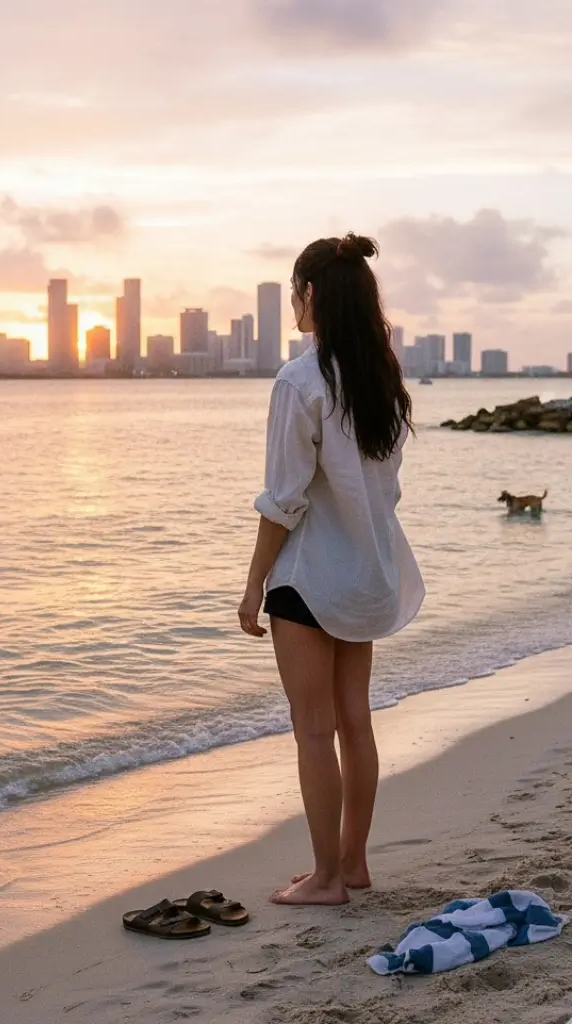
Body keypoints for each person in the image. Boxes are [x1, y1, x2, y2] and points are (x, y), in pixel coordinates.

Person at [237, 233, 424, 907]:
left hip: (311, 579)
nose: (294, 304)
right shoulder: (382, 378)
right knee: (354, 721)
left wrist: (254, 583)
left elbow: (283, 499)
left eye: (296, 292)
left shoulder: (300, 379)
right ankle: (354, 863)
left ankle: (324, 881)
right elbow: (385, 491)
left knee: (313, 728)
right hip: (366, 573)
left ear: (311, 295)